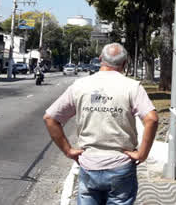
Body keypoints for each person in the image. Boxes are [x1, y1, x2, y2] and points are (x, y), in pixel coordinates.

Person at [43, 43, 158, 205]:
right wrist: (142, 154)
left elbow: (50, 118)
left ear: (100, 60)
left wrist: (68, 150)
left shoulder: (80, 86)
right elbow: (152, 119)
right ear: (125, 64)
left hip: (89, 163)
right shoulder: (132, 87)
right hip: (121, 165)